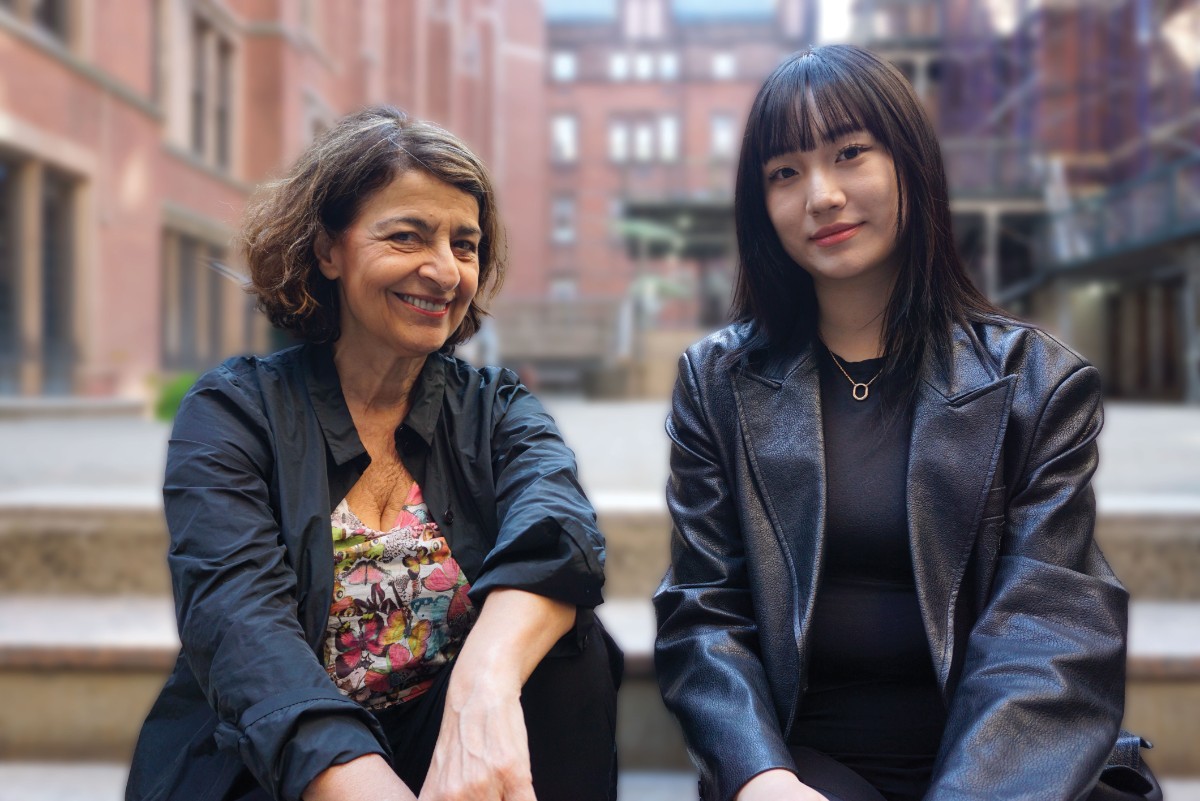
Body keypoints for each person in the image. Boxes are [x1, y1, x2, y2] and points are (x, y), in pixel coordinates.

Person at [653, 45, 1134, 801]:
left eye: (850, 154)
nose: (822, 195)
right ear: (761, 205)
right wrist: (760, 774)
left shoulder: (1037, 383)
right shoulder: (716, 382)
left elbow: (1049, 633)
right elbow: (703, 609)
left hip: (1004, 766)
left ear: (910, 163)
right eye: (785, 173)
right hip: (803, 765)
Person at [126, 107, 620, 801]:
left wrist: (483, 687)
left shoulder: (495, 406)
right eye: (407, 235)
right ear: (330, 250)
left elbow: (562, 533)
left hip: (447, 752)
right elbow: (239, 628)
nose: (444, 270)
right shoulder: (234, 412)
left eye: (465, 244)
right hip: (278, 766)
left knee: (569, 648)